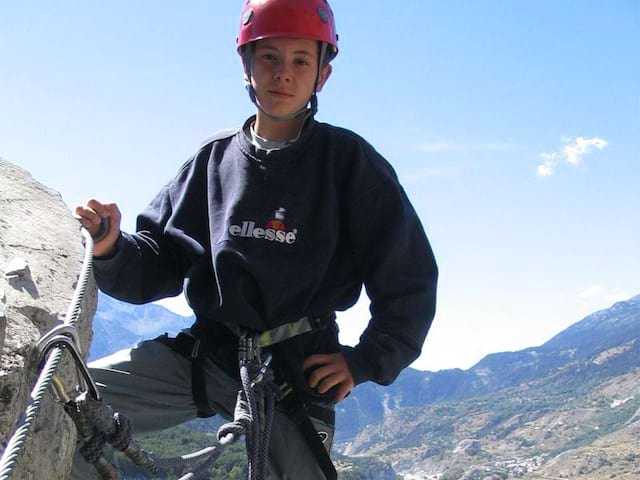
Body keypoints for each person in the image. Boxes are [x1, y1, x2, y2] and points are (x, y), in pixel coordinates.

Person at [73, 0, 438, 478]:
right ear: (246, 66)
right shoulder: (214, 161)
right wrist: (112, 247)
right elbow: (161, 260)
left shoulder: (347, 163)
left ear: (321, 76)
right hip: (209, 353)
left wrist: (367, 359)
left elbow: (408, 276)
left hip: (297, 367)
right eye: (268, 57)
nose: (283, 74)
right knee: (69, 407)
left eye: (300, 61)